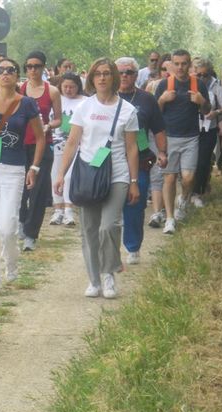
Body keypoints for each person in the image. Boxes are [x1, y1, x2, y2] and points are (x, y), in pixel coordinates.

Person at [53, 57, 140, 299]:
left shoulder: (128, 110)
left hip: (117, 175)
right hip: (89, 174)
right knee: (89, 229)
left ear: (114, 78)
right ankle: (94, 280)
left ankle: (109, 273)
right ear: (91, 78)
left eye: (107, 73)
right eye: (98, 74)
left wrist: (134, 182)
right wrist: (60, 174)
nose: (102, 77)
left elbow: (132, 148)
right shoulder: (84, 107)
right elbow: (72, 142)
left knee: (108, 226)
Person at [0, 58, 45, 296]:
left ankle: (11, 261)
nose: (5, 74)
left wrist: (34, 168)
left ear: (18, 75)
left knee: (8, 227)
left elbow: (40, 138)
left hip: (14, 169)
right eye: (1, 70)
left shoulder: (27, 104)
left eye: (11, 70)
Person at [115, 57, 167, 265]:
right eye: (120, 72)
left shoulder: (146, 99)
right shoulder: (104, 97)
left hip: (141, 157)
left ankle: (132, 246)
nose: (124, 76)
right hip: (111, 158)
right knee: (109, 204)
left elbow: (159, 129)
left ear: (137, 75)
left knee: (134, 204)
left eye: (129, 72)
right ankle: (108, 245)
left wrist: (162, 152)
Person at [154, 49, 210, 234]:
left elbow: (207, 111)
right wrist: (162, 100)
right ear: (171, 64)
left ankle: (183, 200)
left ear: (189, 64)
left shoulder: (198, 84)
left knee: (188, 178)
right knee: (169, 178)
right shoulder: (164, 84)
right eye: (176, 64)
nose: (180, 67)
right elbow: (155, 113)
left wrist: (201, 101)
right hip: (169, 137)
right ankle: (170, 219)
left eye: (184, 63)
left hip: (191, 137)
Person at [18, 51, 62, 250]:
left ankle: (31, 233)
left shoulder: (51, 91)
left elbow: (59, 119)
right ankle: (20, 221)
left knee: (37, 190)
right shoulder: (20, 89)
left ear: (44, 67)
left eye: (36, 66)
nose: (33, 70)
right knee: (20, 188)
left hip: (42, 143)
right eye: (29, 66)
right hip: (21, 144)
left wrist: (48, 126)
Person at [191, 59, 222, 207]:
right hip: (192, 128)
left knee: (203, 162)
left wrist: (216, 112)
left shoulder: (215, 86)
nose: (202, 78)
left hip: (209, 129)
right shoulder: (190, 84)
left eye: (205, 75)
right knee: (191, 162)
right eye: (198, 75)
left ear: (210, 73)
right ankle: (187, 191)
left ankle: (197, 193)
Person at [50, 72, 86, 226]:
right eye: (65, 86)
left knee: (69, 177)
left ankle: (68, 209)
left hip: (77, 145)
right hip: (55, 143)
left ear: (78, 87)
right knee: (55, 175)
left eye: (72, 87)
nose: (68, 90)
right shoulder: (57, 99)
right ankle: (58, 209)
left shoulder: (85, 101)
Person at [146, 54, 172, 228]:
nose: (167, 73)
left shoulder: (183, 87)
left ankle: (171, 209)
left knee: (171, 174)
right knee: (157, 172)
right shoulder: (152, 86)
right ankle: (157, 212)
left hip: (177, 134)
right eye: (164, 69)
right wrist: (161, 100)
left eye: (170, 70)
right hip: (155, 133)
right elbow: (146, 112)